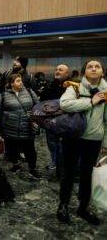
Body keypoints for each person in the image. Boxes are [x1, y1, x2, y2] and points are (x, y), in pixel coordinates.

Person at [57, 59, 107, 225]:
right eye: (89, 67)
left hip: (93, 139)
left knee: (87, 175)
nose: (93, 69)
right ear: (84, 71)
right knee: (68, 173)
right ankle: (63, 205)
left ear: (102, 71)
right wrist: (90, 102)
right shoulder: (75, 87)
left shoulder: (106, 91)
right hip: (73, 137)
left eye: (97, 66)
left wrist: (106, 143)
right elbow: (64, 104)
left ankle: (83, 208)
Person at [0, 74, 41, 179]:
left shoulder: (29, 92)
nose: (20, 82)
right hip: (10, 127)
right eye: (17, 81)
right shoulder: (3, 95)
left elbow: (38, 106)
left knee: (30, 149)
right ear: (11, 83)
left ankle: (32, 169)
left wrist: (36, 120)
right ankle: (15, 165)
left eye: (21, 81)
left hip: (27, 126)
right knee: (12, 149)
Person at [40, 64, 71, 176]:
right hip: (51, 121)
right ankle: (54, 161)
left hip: (66, 121)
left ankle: (63, 165)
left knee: (63, 145)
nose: (57, 71)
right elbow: (43, 99)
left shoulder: (71, 86)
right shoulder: (51, 84)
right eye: (56, 69)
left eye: (61, 70)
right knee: (52, 143)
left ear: (67, 74)